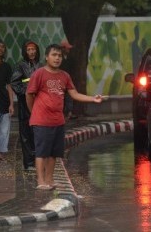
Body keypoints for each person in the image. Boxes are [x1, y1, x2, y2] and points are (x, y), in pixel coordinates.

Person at [26, 44, 104, 190]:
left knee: (54, 153)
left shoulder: (64, 76)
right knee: (42, 152)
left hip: (58, 121)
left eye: (59, 56)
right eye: (54, 55)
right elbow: (29, 94)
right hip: (41, 120)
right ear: (46, 57)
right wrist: (34, 112)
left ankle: (49, 179)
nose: (57, 58)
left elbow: (74, 94)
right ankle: (41, 181)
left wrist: (93, 98)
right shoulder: (39, 74)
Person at [10, 40, 43, 171]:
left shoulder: (41, 66)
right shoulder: (20, 66)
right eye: (29, 49)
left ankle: (38, 161)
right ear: (25, 51)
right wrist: (27, 93)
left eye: (33, 49)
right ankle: (29, 163)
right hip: (25, 104)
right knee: (26, 134)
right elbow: (14, 83)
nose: (31, 52)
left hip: (40, 104)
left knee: (39, 132)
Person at [60, 39, 77, 120]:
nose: (68, 50)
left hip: (68, 81)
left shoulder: (69, 58)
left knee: (69, 96)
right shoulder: (59, 58)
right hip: (61, 81)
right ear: (63, 48)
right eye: (67, 48)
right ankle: (63, 114)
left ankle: (69, 113)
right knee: (62, 98)